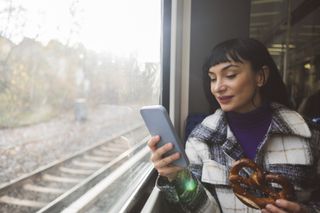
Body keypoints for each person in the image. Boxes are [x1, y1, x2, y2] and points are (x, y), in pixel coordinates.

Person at [147, 38, 320, 213]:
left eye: (230, 75)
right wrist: (176, 176)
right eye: (213, 79)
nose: (217, 88)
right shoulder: (201, 139)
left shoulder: (309, 135)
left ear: (260, 76)